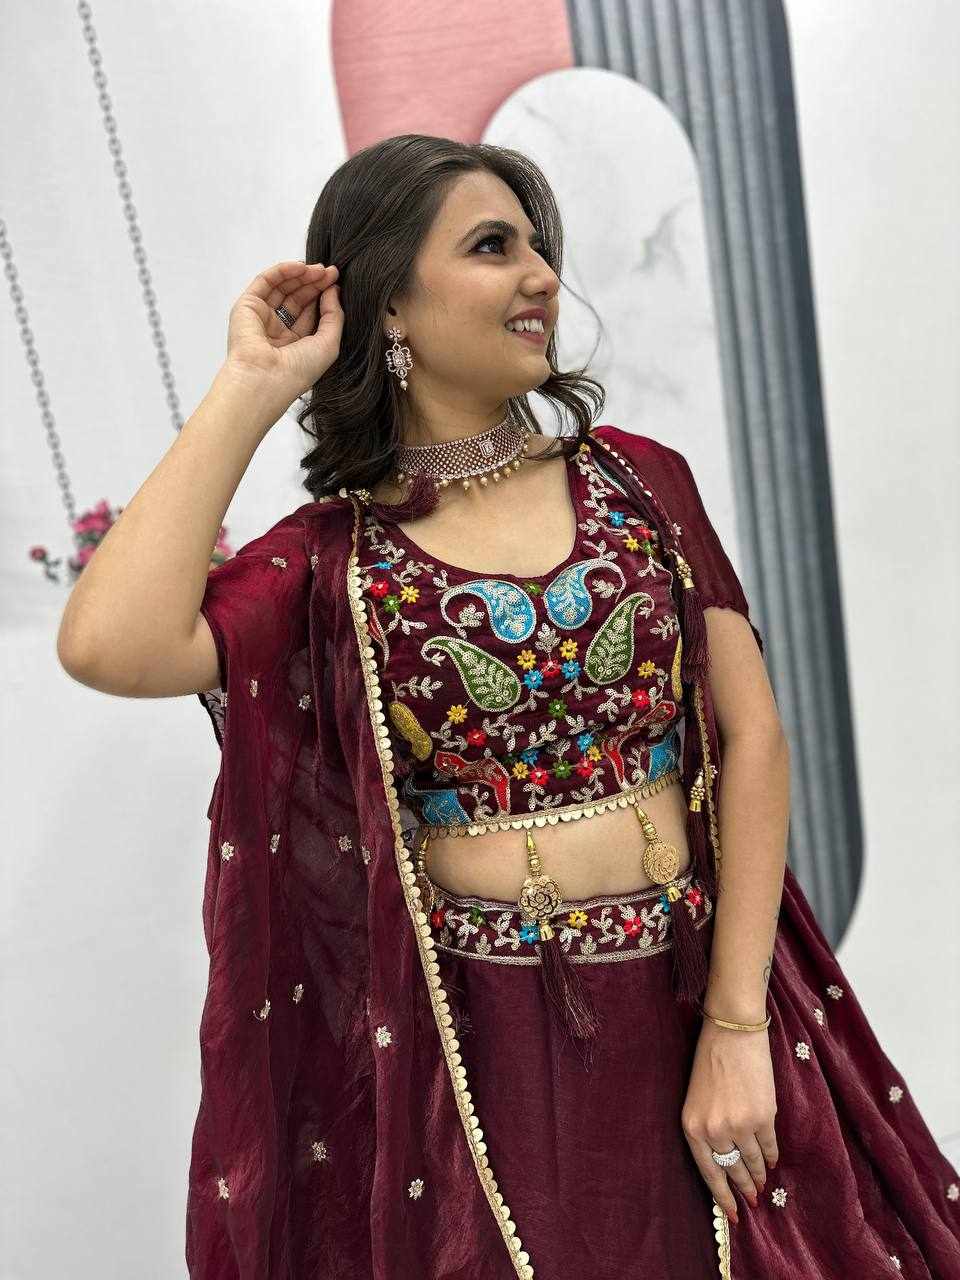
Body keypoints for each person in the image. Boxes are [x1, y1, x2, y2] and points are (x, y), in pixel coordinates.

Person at [58, 135, 960, 1279]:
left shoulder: (639, 480)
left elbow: (752, 737)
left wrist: (738, 1027)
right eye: (493, 247)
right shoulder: (336, 560)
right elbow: (111, 642)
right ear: (390, 300)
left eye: (539, 246)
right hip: (478, 1056)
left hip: (695, 998)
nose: (541, 275)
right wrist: (253, 383)